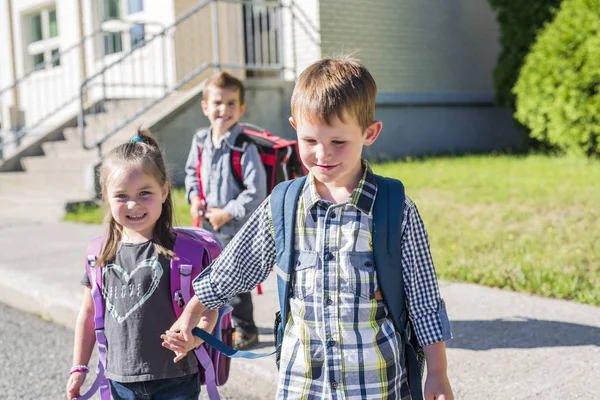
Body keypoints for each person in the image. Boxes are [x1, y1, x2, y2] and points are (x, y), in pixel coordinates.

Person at [165, 56, 454, 399]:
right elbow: (234, 268)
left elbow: (423, 300)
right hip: (302, 383)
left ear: (370, 133)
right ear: (294, 128)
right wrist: (193, 313)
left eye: (338, 142)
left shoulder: (395, 208)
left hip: (374, 383)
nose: (322, 154)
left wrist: (437, 372)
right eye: (310, 140)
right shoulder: (283, 205)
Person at [66, 131, 218, 400]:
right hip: (118, 379)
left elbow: (208, 309)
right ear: (106, 198)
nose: (133, 204)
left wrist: (194, 340)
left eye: (144, 193)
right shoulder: (99, 254)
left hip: (176, 378)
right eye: (121, 196)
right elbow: (88, 314)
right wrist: (79, 366)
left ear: (164, 191)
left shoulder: (186, 253)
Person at [184, 71, 266, 350]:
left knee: (236, 283)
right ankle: (217, 324)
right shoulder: (200, 141)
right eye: (217, 103)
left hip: (235, 229)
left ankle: (247, 329)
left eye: (232, 103)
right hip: (206, 226)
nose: (224, 109)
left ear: (241, 109)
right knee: (209, 277)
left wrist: (227, 213)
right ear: (205, 107)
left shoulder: (244, 147)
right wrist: (194, 196)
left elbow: (255, 192)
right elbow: (191, 174)